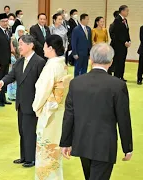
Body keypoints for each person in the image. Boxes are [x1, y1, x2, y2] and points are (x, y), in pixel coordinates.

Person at [60, 43, 133, 180]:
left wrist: (65, 142)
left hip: (82, 142)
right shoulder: (118, 85)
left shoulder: (76, 83)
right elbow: (123, 118)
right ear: (111, 62)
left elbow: (69, 115)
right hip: (104, 145)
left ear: (91, 60)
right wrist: (127, 147)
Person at [0, 35, 46, 168]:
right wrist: (1, 82)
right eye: (19, 44)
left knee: (30, 131)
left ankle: (32, 158)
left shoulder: (39, 62)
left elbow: (43, 84)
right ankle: (24, 156)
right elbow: (11, 76)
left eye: (22, 44)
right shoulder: (19, 61)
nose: (19, 47)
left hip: (33, 102)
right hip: (21, 103)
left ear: (31, 45)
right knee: (22, 130)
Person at [33, 34, 72, 180]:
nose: (43, 48)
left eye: (44, 46)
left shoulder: (51, 66)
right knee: (54, 147)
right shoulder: (61, 64)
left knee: (46, 148)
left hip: (50, 111)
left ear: (50, 48)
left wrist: (36, 107)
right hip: (59, 110)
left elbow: (43, 90)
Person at [0, 13, 12, 107]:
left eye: (6, 21)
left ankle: (3, 98)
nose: (5, 23)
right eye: (3, 21)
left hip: (6, 60)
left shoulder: (8, 31)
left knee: (4, 80)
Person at [112, 5, 131, 81]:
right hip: (119, 45)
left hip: (124, 45)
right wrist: (124, 42)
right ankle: (116, 76)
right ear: (122, 11)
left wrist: (129, 40)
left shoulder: (125, 20)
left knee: (122, 61)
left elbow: (126, 32)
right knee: (118, 61)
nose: (127, 12)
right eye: (127, 11)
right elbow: (117, 34)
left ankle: (121, 76)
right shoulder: (117, 20)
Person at [8, 25, 26, 101]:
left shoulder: (25, 40)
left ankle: (17, 93)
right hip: (14, 60)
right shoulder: (13, 39)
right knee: (12, 78)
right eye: (19, 31)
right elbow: (12, 50)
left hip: (22, 60)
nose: (21, 33)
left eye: (22, 31)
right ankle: (11, 95)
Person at [108, 10, 120, 75]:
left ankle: (118, 74)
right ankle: (109, 72)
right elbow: (112, 35)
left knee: (118, 60)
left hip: (119, 45)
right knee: (112, 60)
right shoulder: (112, 25)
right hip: (114, 45)